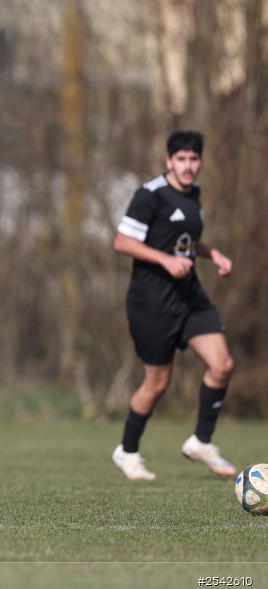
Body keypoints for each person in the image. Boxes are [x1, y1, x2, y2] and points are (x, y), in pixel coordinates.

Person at [111, 130, 235, 481]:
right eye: (181, 159)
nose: (188, 166)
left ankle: (201, 442)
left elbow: (185, 242)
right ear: (169, 161)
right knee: (157, 383)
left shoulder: (194, 194)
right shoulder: (150, 196)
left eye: (194, 159)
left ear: (200, 162)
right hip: (152, 302)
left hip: (189, 296)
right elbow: (122, 241)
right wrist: (164, 261)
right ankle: (128, 452)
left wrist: (213, 254)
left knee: (222, 364)